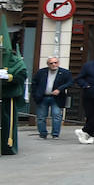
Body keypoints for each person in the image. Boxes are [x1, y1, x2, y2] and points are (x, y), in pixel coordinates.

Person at [31, 55, 74, 140]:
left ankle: (55, 134)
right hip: (43, 97)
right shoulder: (41, 72)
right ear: (48, 64)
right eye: (51, 63)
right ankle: (43, 134)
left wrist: (59, 89)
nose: (53, 65)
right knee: (41, 117)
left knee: (57, 116)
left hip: (57, 98)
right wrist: (35, 95)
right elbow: (34, 84)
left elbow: (70, 82)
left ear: (58, 63)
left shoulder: (65, 72)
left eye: (55, 63)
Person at [0, 24, 27, 155]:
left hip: (7, 95)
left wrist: (9, 76)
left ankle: (7, 145)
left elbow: (22, 75)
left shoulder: (15, 61)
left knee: (7, 121)